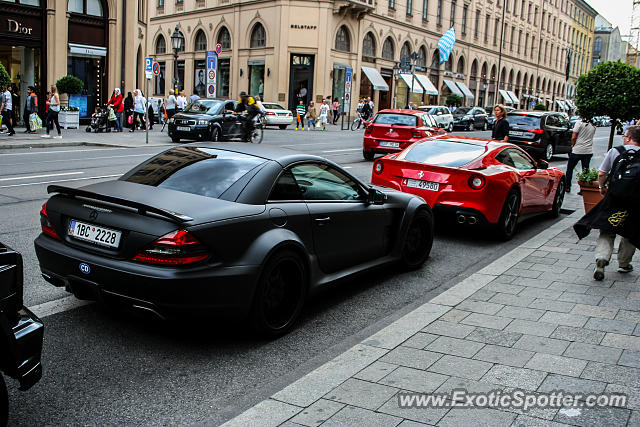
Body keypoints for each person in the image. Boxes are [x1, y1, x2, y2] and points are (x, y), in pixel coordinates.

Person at [574, 126, 640, 280]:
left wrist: (602, 187)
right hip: (636, 201)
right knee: (631, 230)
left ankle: (601, 260)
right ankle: (624, 263)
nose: (624, 138)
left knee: (607, 228)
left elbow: (602, 173)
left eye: (625, 136)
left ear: (629, 138)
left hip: (615, 197)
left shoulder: (616, 151)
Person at [565, 115, 596, 193]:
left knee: (570, 169)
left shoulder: (579, 123)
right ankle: (583, 189)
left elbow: (574, 137)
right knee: (585, 170)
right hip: (588, 151)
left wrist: (573, 145)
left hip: (577, 150)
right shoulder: (593, 125)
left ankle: (567, 187)